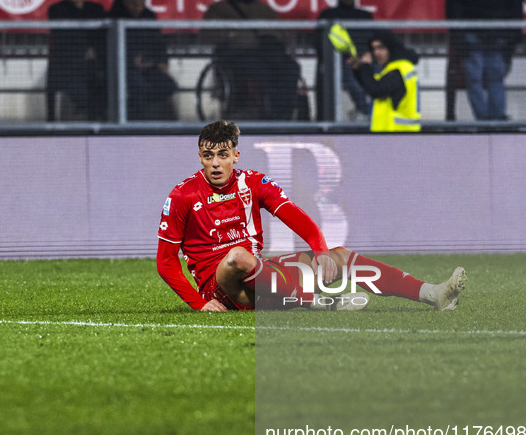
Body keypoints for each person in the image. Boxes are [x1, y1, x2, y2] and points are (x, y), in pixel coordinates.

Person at [156, 120, 466, 312]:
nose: (215, 163)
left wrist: (320, 250)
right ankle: (319, 302)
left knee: (340, 256)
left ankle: (433, 294)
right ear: (200, 156)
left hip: (260, 276)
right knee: (237, 257)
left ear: (236, 155)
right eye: (208, 156)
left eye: (222, 155)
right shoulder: (182, 195)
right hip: (220, 286)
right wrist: (199, 303)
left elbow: (297, 217)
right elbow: (166, 261)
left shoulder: (253, 182)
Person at [203, 0, 301, 120]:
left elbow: (281, 30)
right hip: (237, 55)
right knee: (261, 71)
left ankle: (283, 112)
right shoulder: (218, 9)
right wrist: (229, 34)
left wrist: (276, 36)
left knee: (291, 68)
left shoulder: (264, 9)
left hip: (268, 52)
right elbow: (206, 35)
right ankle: (268, 111)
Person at [445, 0, 524, 121]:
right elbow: (516, 4)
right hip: (490, 34)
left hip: (479, 33)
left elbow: (454, 1)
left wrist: (457, 32)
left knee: (479, 78)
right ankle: (494, 118)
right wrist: (514, 34)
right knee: (492, 77)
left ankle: (488, 119)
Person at [108, 0, 177, 121]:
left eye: (141, 3)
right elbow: (108, 46)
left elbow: (158, 42)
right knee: (138, 86)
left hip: (148, 65)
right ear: (126, 2)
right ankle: (141, 123)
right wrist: (131, 60)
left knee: (169, 86)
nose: (138, 7)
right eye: (134, 3)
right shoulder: (114, 17)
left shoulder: (149, 16)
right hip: (123, 68)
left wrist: (162, 60)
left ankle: (132, 107)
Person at [47, 0, 107, 121]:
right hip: (66, 66)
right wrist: (85, 48)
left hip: (91, 66)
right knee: (82, 94)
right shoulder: (57, 10)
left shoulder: (95, 10)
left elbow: (100, 37)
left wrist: (92, 50)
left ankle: (100, 124)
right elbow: (65, 36)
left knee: (108, 83)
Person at [316, 0, 373, 120]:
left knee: (379, 73)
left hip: (362, 60)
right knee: (348, 77)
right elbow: (320, 42)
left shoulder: (365, 16)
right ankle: (362, 111)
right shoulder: (329, 15)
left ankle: (372, 115)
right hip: (339, 62)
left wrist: (366, 55)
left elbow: (372, 40)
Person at [349, 29, 421, 132]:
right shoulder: (393, 69)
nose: (376, 53)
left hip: (397, 135)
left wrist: (365, 67)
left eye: (381, 48)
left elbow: (376, 90)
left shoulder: (398, 69)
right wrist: (358, 69)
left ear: (391, 47)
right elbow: (371, 86)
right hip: (393, 135)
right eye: (374, 49)